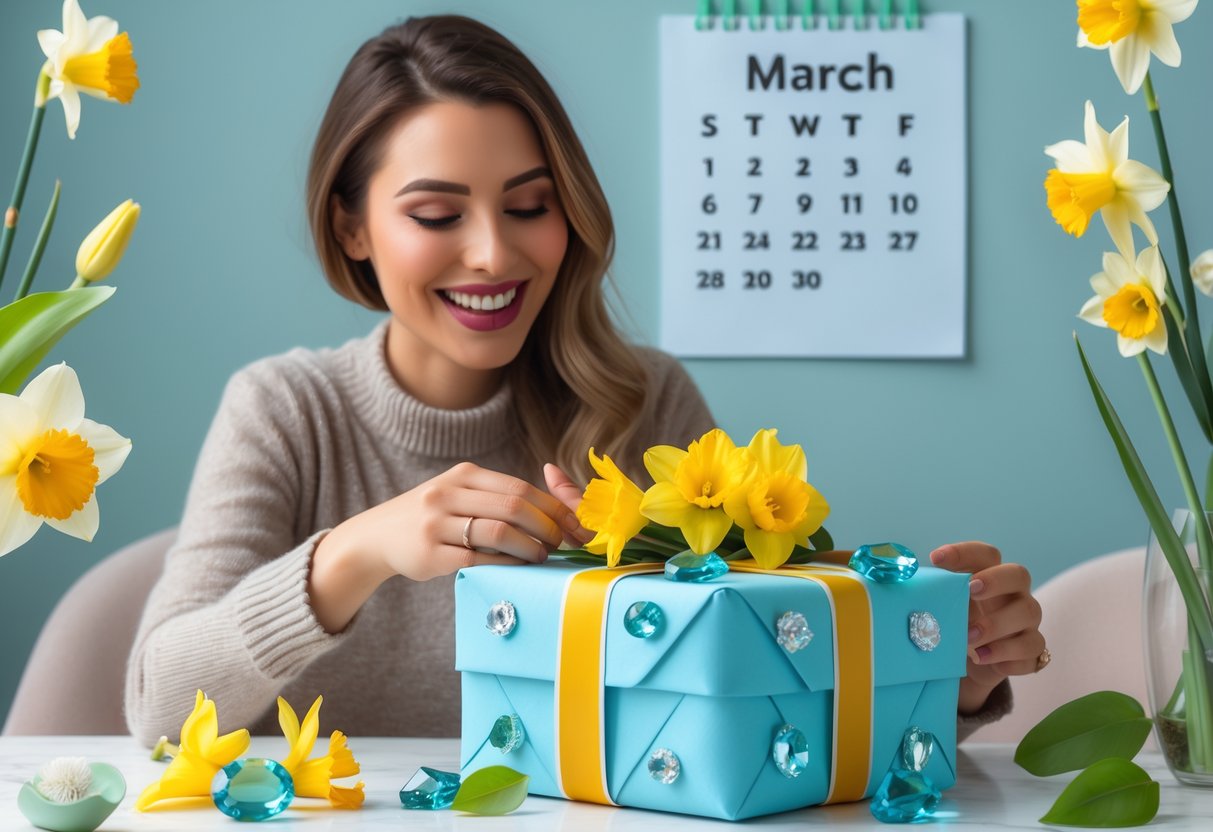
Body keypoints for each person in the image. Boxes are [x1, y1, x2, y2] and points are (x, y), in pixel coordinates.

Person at [124, 15, 1041, 745]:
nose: (493, 253)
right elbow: (159, 704)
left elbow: (762, 701)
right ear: (353, 227)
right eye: (436, 213)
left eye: (531, 205)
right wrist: (359, 549)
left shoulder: (644, 406)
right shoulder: (285, 411)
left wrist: (941, 683)